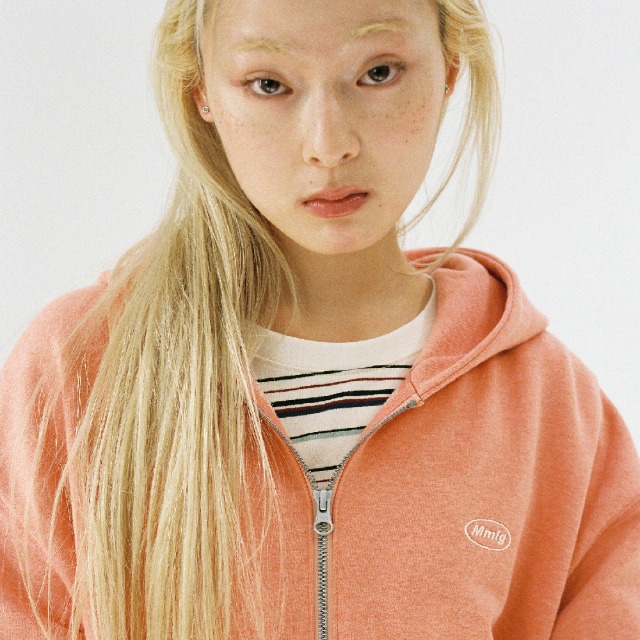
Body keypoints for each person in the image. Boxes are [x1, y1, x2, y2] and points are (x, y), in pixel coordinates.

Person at [1, 0, 638, 638]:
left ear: (449, 69)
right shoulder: (79, 368)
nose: (329, 146)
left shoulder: (551, 407)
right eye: (269, 84)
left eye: (378, 73)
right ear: (202, 92)